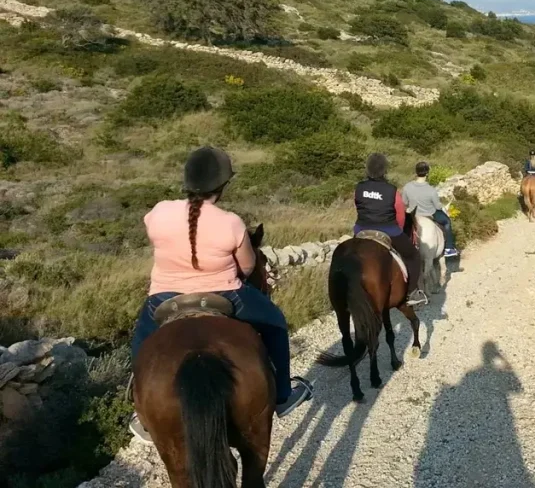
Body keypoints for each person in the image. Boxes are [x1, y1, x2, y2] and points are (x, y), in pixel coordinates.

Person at [128, 146, 313, 443]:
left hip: (163, 297)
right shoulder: (231, 222)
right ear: (223, 185)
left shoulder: (159, 212)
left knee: (140, 342)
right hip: (226, 293)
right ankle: (282, 394)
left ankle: (141, 411)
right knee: (276, 323)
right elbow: (249, 265)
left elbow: (155, 233)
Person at [353, 153, 428, 307]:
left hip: (361, 229)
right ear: (384, 170)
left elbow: (358, 207)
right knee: (413, 256)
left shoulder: (359, 188)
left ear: (367, 169)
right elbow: (400, 216)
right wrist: (398, 230)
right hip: (388, 230)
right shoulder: (392, 191)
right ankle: (412, 292)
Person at [402, 162, 459, 258]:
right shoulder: (431, 190)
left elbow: (404, 202)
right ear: (427, 173)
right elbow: (437, 206)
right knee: (447, 221)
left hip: (412, 216)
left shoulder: (407, 187)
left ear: (416, 172)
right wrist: (442, 205)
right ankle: (449, 248)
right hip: (429, 214)